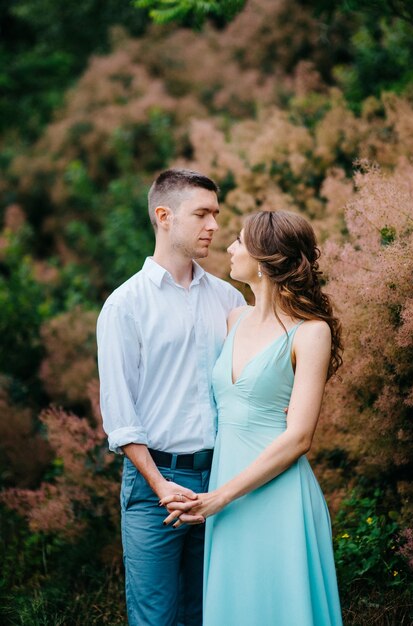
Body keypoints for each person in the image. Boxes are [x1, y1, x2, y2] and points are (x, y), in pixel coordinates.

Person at [162, 210, 344, 625]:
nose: (229, 247)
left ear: (263, 260)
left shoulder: (311, 332)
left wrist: (218, 497)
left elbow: (299, 437)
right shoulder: (234, 318)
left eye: (239, 241)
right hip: (225, 495)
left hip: (277, 495)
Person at [96, 168, 245, 626]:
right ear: (164, 216)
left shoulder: (226, 298)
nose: (214, 226)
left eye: (216, 214)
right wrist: (162, 487)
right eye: (202, 214)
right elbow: (120, 415)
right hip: (152, 488)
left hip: (220, 482)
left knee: (209, 613)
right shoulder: (125, 305)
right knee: (155, 617)